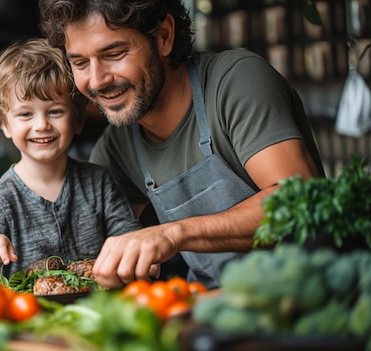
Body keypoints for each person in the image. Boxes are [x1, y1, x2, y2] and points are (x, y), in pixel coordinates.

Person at [38, 0, 324, 289]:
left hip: (313, 302)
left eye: (114, 54)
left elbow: (299, 204)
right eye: (80, 63)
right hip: (211, 311)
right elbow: (78, 246)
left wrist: (173, 234)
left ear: (164, 37)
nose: (97, 81)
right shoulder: (117, 147)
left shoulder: (236, 81)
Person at [0, 38, 142, 278]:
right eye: (26, 114)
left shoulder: (99, 184)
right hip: (29, 314)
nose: (41, 125)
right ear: (6, 125)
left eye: (55, 111)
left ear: (78, 119)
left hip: (96, 310)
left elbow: (130, 242)